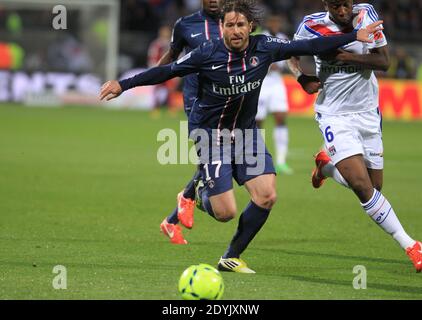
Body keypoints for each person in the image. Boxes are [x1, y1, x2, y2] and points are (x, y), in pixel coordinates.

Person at [100, 0, 382, 273]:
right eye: (230, 25)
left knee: (267, 195)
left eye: (241, 25)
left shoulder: (265, 48)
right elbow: (167, 71)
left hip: (247, 135)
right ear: (221, 27)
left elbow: (308, 45)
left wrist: (354, 36)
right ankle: (200, 194)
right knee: (225, 213)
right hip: (212, 137)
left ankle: (231, 257)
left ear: (251, 27)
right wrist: (123, 85)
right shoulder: (206, 53)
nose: (236, 30)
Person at [289, 0, 422, 272]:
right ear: (326, 3)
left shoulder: (366, 15)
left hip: (368, 113)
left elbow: (383, 61)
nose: (342, 11)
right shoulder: (311, 25)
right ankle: (411, 245)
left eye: (346, 4)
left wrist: (345, 57)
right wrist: (301, 77)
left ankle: (325, 167)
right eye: (336, 5)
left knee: (375, 187)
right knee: (363, 188)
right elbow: (290, 53)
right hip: (334, 115)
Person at [156, 0, 224, 245]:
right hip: (197, 101)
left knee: (223, 159)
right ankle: (187, 199)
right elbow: (173, 55)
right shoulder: (185, 25)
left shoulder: (234, 23)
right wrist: (153, 76)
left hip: (228, 100)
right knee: (212, 158)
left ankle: (174, 217)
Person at [256, 13, 293, 175]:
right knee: (258, 121)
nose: (276, 24)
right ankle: (258, 158)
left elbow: (288, 58)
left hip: (277, 83)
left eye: (278, 21)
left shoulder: (283, 37)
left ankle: (281, 161)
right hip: (262, 84)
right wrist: (268, 65)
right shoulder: (260, 38)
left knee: (280, 118)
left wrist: (282, 66)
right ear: (268, 22)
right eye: (273, 21)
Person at [147, 25, 177, 116]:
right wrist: (153, 68)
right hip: (158, 70)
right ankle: (155, 108)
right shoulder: (156, 44)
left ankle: (171, 108)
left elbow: (177, 56)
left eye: (167, 32)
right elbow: (152, 57)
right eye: (164, 32)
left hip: (169, 70)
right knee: (157, 89)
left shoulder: (172, 44)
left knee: (170, 89)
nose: (165, 34)